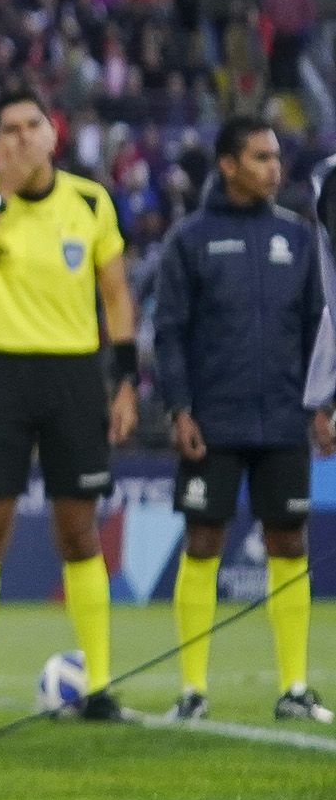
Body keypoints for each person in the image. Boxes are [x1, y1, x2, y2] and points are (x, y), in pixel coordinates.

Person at [0, 87, 138, 724]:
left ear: (54, 134)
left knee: (78, 531)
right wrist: (1, 195)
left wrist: (126, 382)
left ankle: (99, 686)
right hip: (1, 372)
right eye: (10, 129)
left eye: (33, 125)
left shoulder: (91, 200)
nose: (23, 137)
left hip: (75, 375)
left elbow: (116, 296)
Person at [147, 115, 332, 723]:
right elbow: (169, 332)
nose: (274, 168)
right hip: (213, 420)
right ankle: (192, 690)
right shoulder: (190, 239)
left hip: (283, 418)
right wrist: (179, 408)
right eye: (260, 157)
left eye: (276, 157)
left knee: (289, 542)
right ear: (227, 165)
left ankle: (294, 686)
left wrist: (323, 404)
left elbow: (318, 329)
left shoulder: (299, 237)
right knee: (203, 542)